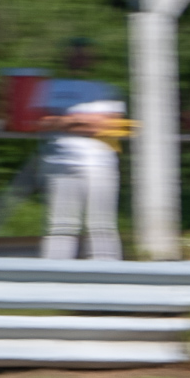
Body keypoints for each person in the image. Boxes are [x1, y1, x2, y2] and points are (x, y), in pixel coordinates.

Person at [36, 38, 125, 260]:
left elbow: (109, 126)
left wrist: (64, 120)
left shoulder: (106, 89)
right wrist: (86, 121)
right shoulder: (49, 87)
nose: (79, 58)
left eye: (84, 53)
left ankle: (108, 273)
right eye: (75, 53)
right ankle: (55, 274)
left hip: (100, 164)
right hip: (61, 164)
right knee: (61, 225)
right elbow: (39, 122)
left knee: (101, 225)